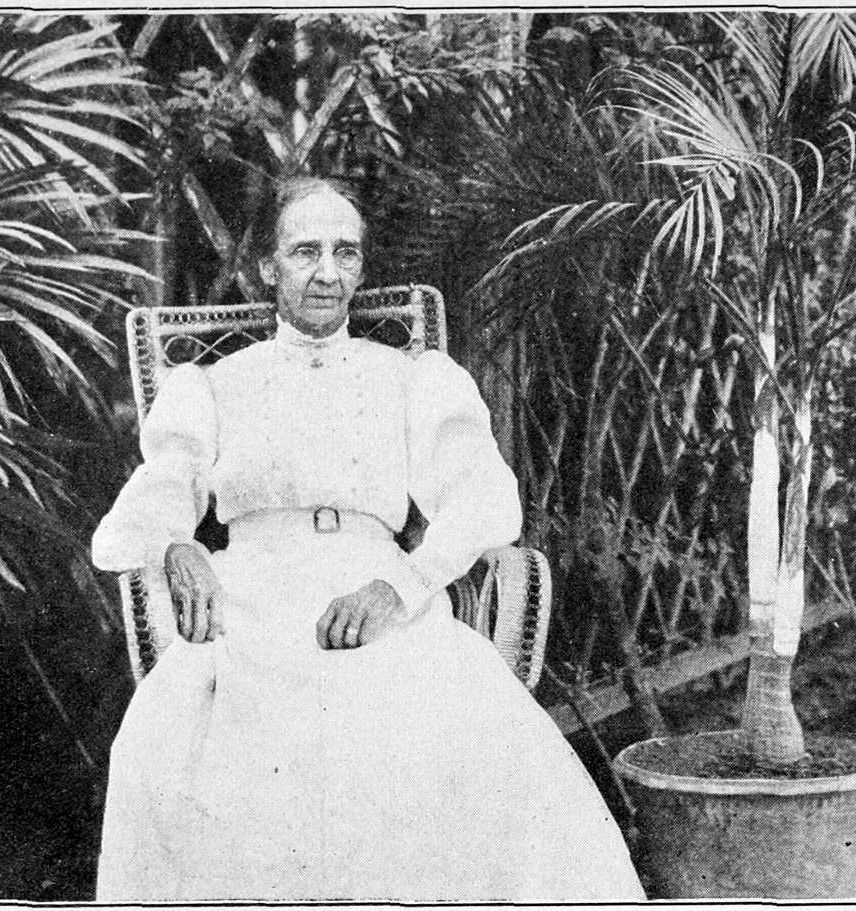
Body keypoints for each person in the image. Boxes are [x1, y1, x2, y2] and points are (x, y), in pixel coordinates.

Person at [91, 177, 645, 902]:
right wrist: (175, 544)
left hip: (379, 588)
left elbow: (483, 500)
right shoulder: (215, 384)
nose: (327, 272)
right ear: (267, 266)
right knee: (176, 735)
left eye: (345, 252)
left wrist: (400, 587)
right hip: (251, 594)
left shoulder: (412, 379)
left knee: (442, 721)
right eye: (305, 252)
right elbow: (163, 485)